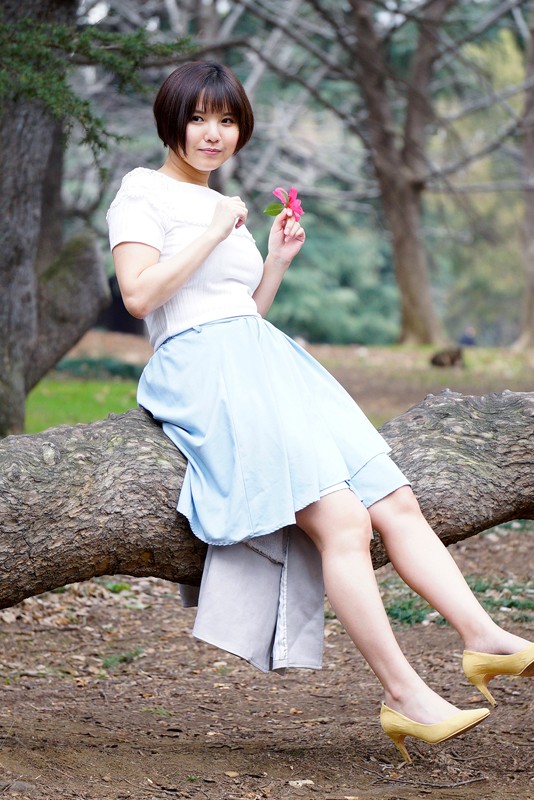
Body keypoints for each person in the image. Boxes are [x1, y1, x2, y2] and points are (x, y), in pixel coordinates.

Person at [106, 61, 533, 764]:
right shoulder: (142, 192)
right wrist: (212, 231)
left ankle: (483, 638)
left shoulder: (223, 204)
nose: (213, 134)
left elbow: (236, 310)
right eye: (198, 118)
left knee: (394, 499)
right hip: (202, 372)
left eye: (227, 120)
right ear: (170, 122)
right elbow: (140, 297)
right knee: (343, 520)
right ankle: (404, 695)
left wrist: (273, 262)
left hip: (263, 358)